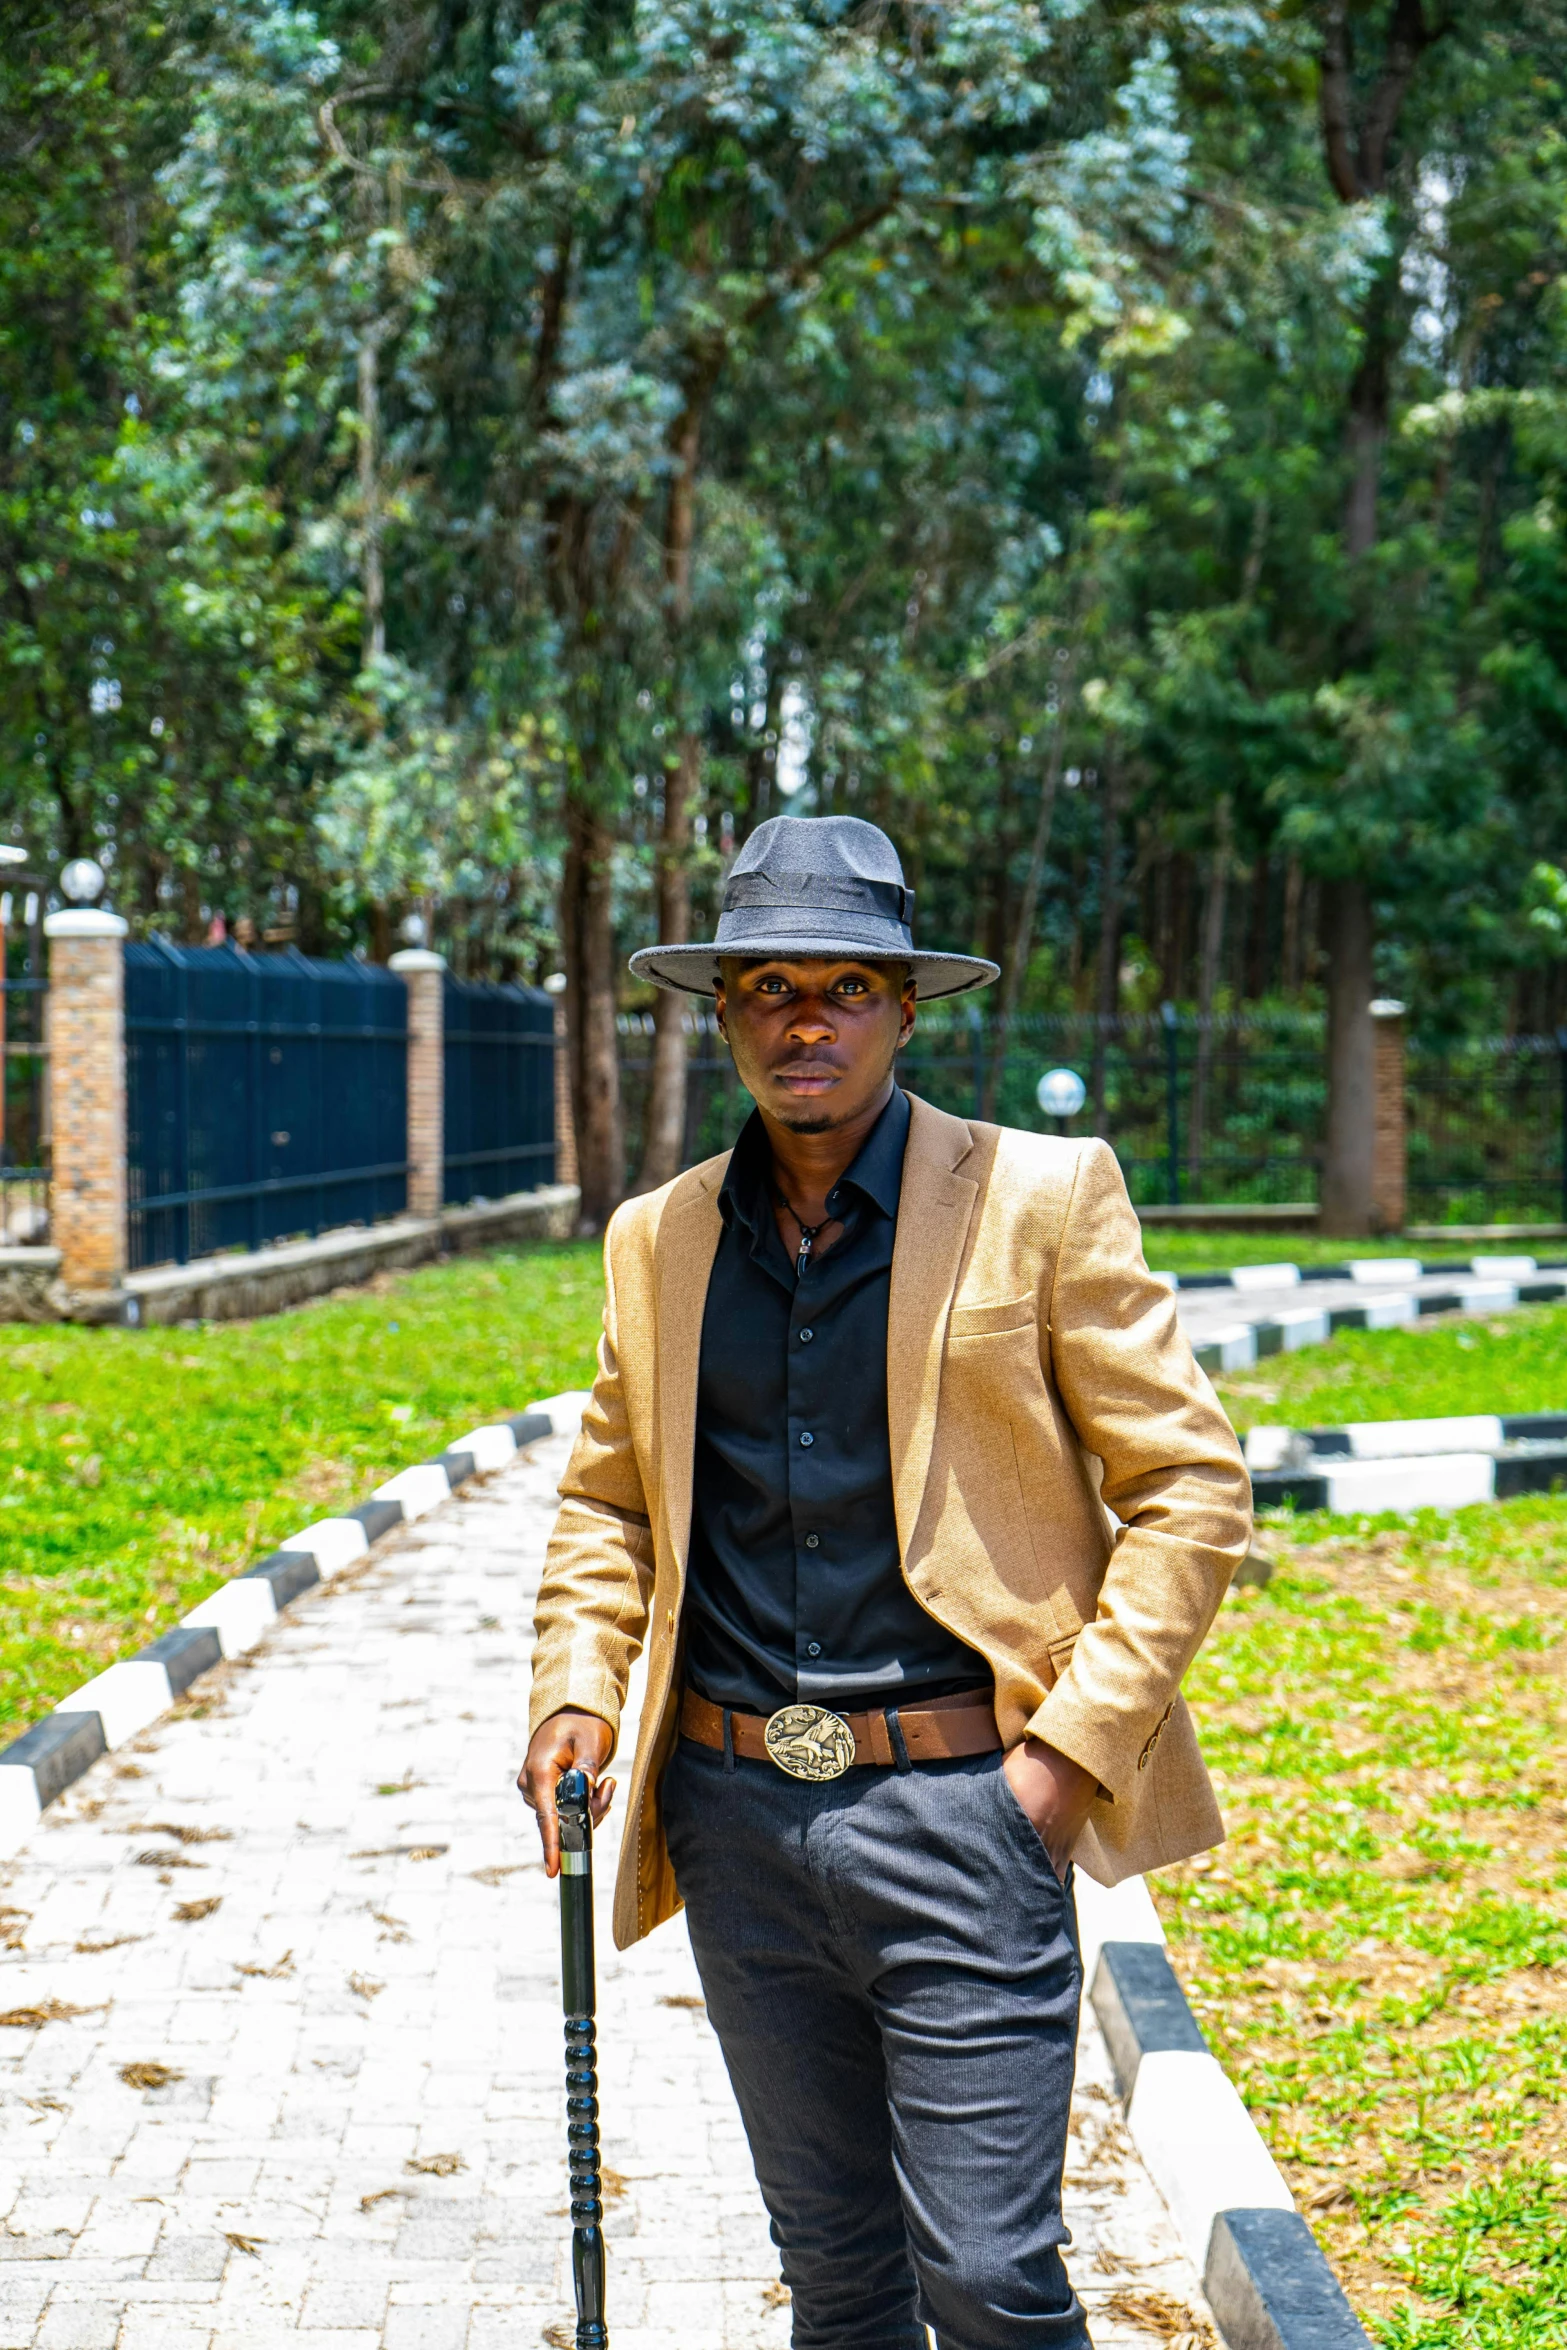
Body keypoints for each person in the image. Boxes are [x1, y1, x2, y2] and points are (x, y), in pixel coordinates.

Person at [522, 814, 1252, 2350]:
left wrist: (1057, 1765)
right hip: (733, 1821)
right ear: (721, 1010)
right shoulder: (656, 1241)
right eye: (768, 984)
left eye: (844, 983)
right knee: (837, 2277)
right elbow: (607, 1502)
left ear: (905, 1006)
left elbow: (1189, 1489)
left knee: (986, 2276)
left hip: (964, 1812)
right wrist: (576, 1689)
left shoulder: (1041, 1199)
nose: (806, 1015)